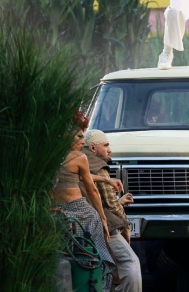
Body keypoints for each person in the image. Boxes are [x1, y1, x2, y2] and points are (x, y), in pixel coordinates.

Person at [51, 116, 116, 290]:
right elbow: (91, 189)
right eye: (79, 137)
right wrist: (102, 217)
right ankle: (100, 285)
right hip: (81, 212)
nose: (83, 140)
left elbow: (79, 175)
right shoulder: (79, 157)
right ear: (67, 136)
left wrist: (107, 181)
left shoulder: (51, 155)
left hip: (56, 212)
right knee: (97, 255)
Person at [83, 129, 142, 292]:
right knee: (130, 264)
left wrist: (119, 201)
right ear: (93, 148)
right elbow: (110, 205)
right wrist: (126, 226)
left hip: (84, 223)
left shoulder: (80, 161)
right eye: (106, 145)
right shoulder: (98, 166)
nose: (110, 150)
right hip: (104, 227)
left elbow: (97, 199)